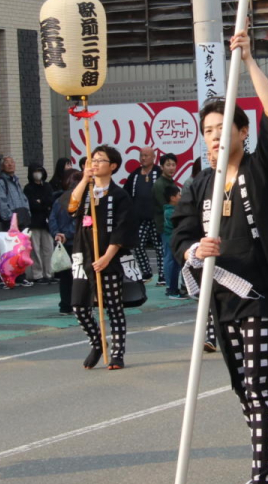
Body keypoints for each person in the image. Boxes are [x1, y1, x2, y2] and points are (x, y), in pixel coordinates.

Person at [171, 29, 268, 484]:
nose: (214, 137)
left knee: (258, 384)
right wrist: (194, 249)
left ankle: (262, 478)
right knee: (242, 385)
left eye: (223, 129)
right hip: (223, 299)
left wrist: (249, 61)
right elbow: (181, 236)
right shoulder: (197, 184)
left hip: (261, 295)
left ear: (241, 133)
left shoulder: (261, 168)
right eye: (208, 131)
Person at [68, 145, 136, 371]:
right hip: (82, 254)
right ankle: (97, 342)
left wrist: (107, 257)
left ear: (113, 166)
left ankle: (117, 353)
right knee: (78, 305)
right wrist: (83, 180)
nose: (95, 164)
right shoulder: (85, 189)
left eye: (100, 160)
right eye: (92, 160)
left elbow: (122, 229)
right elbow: (71, 207)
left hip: (108, 257)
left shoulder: (120, 195)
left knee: (113, 307)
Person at [125, 147, 163, 287]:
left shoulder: (159, 172)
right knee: (138, 245)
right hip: (139, 217)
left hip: (156, 217)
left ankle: (162, 275)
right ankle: (146, 272)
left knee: (159, 247)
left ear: (153, 157)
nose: (143, 158)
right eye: (141, 155)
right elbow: (126, 193)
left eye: (146, 155)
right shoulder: (134, 175)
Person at [48, 168, 80, 316]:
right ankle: (78, 304)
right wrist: (68, 234)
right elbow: (80, 222)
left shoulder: (59, 200)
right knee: (79, 275)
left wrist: (57, 234)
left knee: (65, 276)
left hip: (62, 243)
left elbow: (52, 219)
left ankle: (65, 305)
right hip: (77, 242)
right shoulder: (81, 200)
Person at [152, 153, 184, 299]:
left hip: (172, 226)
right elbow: (163, 205)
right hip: (166, 227)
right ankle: (171, 288)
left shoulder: (170, 182)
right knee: (170, 257)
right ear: (161, 167)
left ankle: (173, 287)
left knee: (174, 257)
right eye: (168, 165)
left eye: (173, 165)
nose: (172, 168)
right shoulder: (160, 184)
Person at [24, 164, 56, 285]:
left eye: (39, 171)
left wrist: (40, 201)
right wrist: (43, 203)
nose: (38, 173)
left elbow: (51, 200)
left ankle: (49, 273)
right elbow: (32, 204)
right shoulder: (28, 188)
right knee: (35, 250)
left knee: (48, 249)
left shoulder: (47, 186)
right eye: (35, 171)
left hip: (46, 222)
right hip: (34, 223)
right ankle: (38, 275)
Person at [0, 157, 29, 231]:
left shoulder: (16, 181)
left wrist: (27, 213)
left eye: (12, 162)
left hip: (22, 221)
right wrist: (11, 218)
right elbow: (1, 204)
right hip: (11, 223)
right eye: (6, 162)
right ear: (2, 167)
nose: (10, 164)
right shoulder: (0, 183)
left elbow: (24, 199)